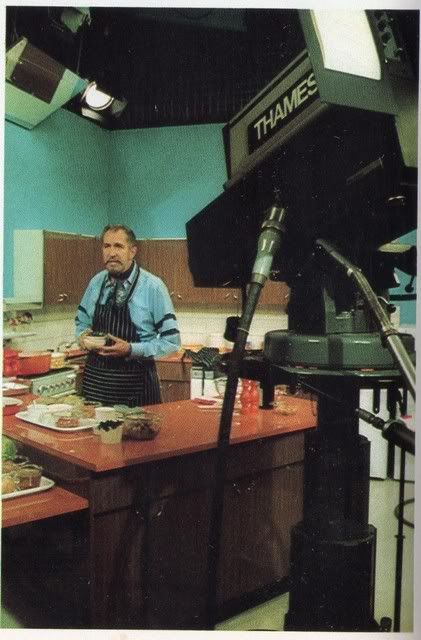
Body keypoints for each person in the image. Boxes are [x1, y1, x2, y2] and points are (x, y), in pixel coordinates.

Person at [75, 224, 181, 407]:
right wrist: (82, 336)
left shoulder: (153, 286)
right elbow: (81, 322)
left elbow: (171, 342)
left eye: (118, 246)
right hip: (95, 387)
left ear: (132, 251)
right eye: (106, 246)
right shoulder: (95, 283)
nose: (111, 253)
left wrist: (131, 349)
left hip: (136, 390)